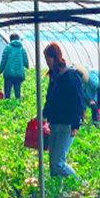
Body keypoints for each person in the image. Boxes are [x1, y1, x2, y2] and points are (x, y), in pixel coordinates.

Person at [41, 43, 84, 179]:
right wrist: (43, 114)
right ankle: (58, 187)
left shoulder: (69, 75)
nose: (47, 62)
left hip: (66, 124)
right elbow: (50, 98)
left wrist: (76, 124)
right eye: (46, 59)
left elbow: (78, 100)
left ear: (55, 57)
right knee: (53, 163)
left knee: (58, 163)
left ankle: (79, 183)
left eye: (48, 58)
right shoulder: (54, 75)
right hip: (54, 122)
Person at [0, 34, 30, 100]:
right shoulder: (22, 49)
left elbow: (3, 60)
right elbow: (26, 62)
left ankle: (7, 103)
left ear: (10, 39)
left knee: (7, 93)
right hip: (19, 74)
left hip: (9, 73)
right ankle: (17, 103)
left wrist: (0, 71)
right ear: (18, 39)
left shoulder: (8, 48)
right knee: (17, 93)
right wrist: (27, 66)